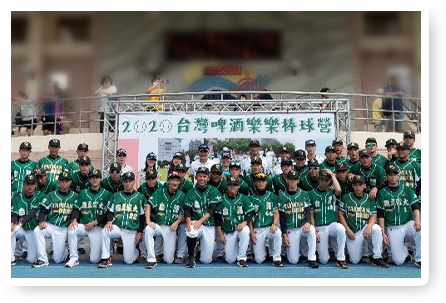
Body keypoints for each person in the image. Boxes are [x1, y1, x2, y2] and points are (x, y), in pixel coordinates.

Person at [98, 171, 146, 267]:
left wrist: (140, 232)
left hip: (131, 230)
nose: (128, 183)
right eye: (126, 181)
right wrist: (109, 221)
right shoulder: (116, 196)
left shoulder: (140, 197)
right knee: (105, 230)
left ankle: (136, 252)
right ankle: (105, 257)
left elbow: (142, 216)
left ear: (133, 182)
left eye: (130, 181)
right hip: (118, 228)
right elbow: (110, 211)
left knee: (128, 261)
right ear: (122, 182)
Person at [338, 175, 388, 267]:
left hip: (365, 227)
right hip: (352, 232)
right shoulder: (346, 197)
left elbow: (374, 214)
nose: (358, 187)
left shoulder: (369, 198)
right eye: (356, 185)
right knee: (355, 260)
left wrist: (369, 226)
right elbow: (340, 214)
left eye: (360, 185)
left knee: (376, 228)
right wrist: (347, 229)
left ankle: (377, 257)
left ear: (364, 186)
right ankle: (363, 253)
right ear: (352, 186)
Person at [65, 169, 112, 267]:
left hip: (97, 227)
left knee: (94, 260)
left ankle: (100, 254)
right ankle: (73, 258)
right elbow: (76, 209)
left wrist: (95, 223)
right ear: (89, 180)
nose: (95, 180)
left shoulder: (107, 194)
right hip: (84, 225)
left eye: (97, 177)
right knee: (72, 228)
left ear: (100, 179)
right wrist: (74, 220)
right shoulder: (82, 193)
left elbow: (108, 212)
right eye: (92, 178)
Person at [377, 165, 421, 267]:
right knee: (398, 261)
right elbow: (381, 215)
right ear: (386, 177)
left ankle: (419, 259)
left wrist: (417, 220)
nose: (393, 177)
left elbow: (415, 206)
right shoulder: (382, 193)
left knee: (421, 230)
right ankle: (405, 252)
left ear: (398, 175)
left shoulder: (407, 189)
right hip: (393, 227)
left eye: (395, 174)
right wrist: (383, 233)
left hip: (407, 223)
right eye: (390, 175)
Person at [32, 171, 77, 267]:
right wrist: (41, 221)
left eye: (67, 180)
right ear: (58, 181)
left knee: (57, 260)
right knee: (37, 230)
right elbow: (43, 211)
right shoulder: (51, 195)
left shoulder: (75, 196)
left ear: (70, 182)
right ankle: (42, 259)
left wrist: (74, 221)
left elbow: (77, 212)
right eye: (62, 180)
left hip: (63, 228)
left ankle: (66, 250)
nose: (64, 183)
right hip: (50, 225)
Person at [144, 171, 185, 268]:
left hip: (171, 227)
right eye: (173, 180)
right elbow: (148, 205)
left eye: (177, 180)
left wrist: (177, 222)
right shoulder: (159, 192)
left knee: (169, 260)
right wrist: (148, 221)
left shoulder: (182, 195)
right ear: (168, 181)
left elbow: (185, 213)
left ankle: (162, 252)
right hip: (158, 225)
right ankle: (151, 259)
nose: (175, 182)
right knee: (148, 229)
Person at [183, 167, 222, 268]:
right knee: (191, 229)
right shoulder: (191, 192)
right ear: (196, 177)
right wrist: (188, 221)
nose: (202, 178)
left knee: (206, 260)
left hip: (209, 224)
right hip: (196, 222)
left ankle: (200, 249)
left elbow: (212, 210)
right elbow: (187, 209)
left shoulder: (214, 191)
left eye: (204, 176)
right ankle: (191, 257)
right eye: (200, 176)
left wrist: (200, 221)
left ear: (208, 178)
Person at [278, 170, 318, 268]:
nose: (292, 181)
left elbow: (308, 210)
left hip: (302, 227)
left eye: (295, 179)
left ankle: (312, 258)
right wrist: (284, 234)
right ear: (287, 180)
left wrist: (308, 222)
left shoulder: (304, 194)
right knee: (293, 260)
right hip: (290, 228)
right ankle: (300, 252)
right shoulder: (282, 196)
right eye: (291, 179)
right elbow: (282, 217)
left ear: (298, 181)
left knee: (312, 229)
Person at [309, 170, 347, 268]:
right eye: (321, 179)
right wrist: (314, 230)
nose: (324, 182)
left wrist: (332, 175)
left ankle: (341, 258)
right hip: (319, 227)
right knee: (324, 260)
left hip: (331, 225)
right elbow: (311, 214)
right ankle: (322, 252)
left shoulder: (332, 192)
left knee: (341, 228)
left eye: (326, 180)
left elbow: (338, 190)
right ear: (318, 180)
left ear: (329, 181)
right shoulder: (312, 193)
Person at [215, 177, 256, 267]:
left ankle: (242, 257)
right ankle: (235, 249)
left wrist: (244, 223)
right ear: (227, 186)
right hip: (228, 231)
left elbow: (250, 214)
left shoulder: (244, 198)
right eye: (230, 185)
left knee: (245, 230)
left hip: (240, 228)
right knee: (230, 260)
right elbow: (217, 218)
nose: (232, 187)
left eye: (235, 185)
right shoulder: (222, 199)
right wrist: (220, 234)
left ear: (238, 187)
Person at [249, 172, 283, 267]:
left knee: (277, 233)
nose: (261, 183)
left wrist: (274, 224)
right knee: (259, 260)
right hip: (257, 229)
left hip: (269, 227)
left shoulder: (272, 196)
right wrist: (251, 233)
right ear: (255, 183)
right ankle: (265, 251)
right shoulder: (251, 198)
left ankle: (276, 258)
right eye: (258, 181)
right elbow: (249, 218)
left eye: (263, 181)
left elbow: (276, 213)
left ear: (266, 182)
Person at [11, 175, 45, 266]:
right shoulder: (18, 198)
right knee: (10, 231)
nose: (30, 186)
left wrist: (19, 224)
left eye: (32, 184)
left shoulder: (40, 196)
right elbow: (14, 214)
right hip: (23, 229)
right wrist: (12, 223)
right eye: (28, 184)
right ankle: (10, 259)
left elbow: (32, 212)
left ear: (36, 185)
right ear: (24, 185)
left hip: (34, 230)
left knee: (31, 259)